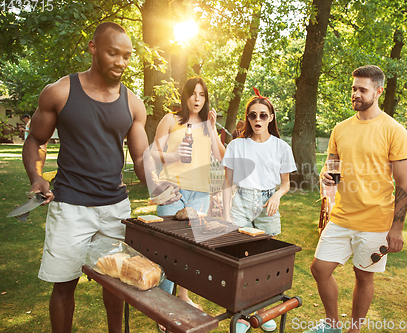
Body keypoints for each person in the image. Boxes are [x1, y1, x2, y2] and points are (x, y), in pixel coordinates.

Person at [22, 22, 149, 333]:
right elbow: (35, 141)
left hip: (115, 210)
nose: (121, 62)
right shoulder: (60, 92)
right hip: (70, 207)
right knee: (64, 286)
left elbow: (142, 158)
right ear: (93, 48)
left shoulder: (133, 104)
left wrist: (161, 186)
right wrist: (36, 177)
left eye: (127, 56)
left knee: (116, 282)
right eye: (113, 53)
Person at [306, 65, 407, 333]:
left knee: (363, 277)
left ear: (378, 91)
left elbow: (403, 184)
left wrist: (397, 228)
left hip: (376, 221)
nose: (355, 94)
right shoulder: (340, 129)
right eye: (354, 88)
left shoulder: (394, 131)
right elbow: (331, 165)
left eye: (362, 89)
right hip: (342, 216)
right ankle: (332, 324)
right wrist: (325, 177)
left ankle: (354, 329)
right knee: (320, 269)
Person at [222, 88, 297, 333]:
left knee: (266, 261)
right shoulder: (236, 146)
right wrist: (225, 214)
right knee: (242, 260)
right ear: (248, 117)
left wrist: (277, 194)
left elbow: (285, 183)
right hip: (241, 201)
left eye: (263, 116)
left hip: (268, 204)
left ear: (271, 117)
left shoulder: (281, 147)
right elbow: (227, 183)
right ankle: (242, 316)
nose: (257, 120)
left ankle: (261, 312)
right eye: (252, 115)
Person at [152, 77, 225, 317]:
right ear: (185, 95)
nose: (197, 98)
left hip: (200, 193)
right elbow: (153, 152)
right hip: (172, 191)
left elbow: (220, 156)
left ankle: (183, 296)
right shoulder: (170, 119)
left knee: (191, 249)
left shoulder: (207, 125)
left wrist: (213, 128)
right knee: (167, 249)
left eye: (202, 94)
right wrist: (173, 155)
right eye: (193, 93)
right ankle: (163, 305)